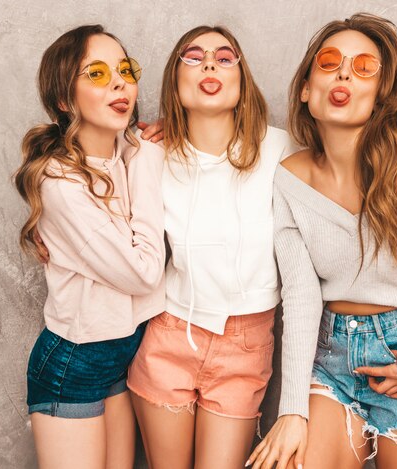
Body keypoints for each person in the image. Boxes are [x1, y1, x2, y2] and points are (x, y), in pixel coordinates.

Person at [248, 13, 397, 469]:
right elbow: (300, 296)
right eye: (330, 61)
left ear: (380, 95)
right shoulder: (291, 177)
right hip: (332, 357)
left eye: (364, 68)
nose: (343, 73)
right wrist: (293, 410)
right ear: (305, 88)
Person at [127, 25, 297, 469]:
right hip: (169, 332)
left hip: (246, 341)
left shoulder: (281, 149)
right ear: (175, 83)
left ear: (242, 83)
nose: (209, 63)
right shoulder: (150, 154)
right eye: (194, 56)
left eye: (224, 58)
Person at [13, 24, 165, 469]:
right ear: (64, 99)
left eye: (124, 69)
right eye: (96, 74)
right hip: (73, 364)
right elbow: (143, 272)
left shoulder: (129, 151)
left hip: (121, 354)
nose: (120, 83)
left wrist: (145, 146)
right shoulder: (60, 182)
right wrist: (147, 159)